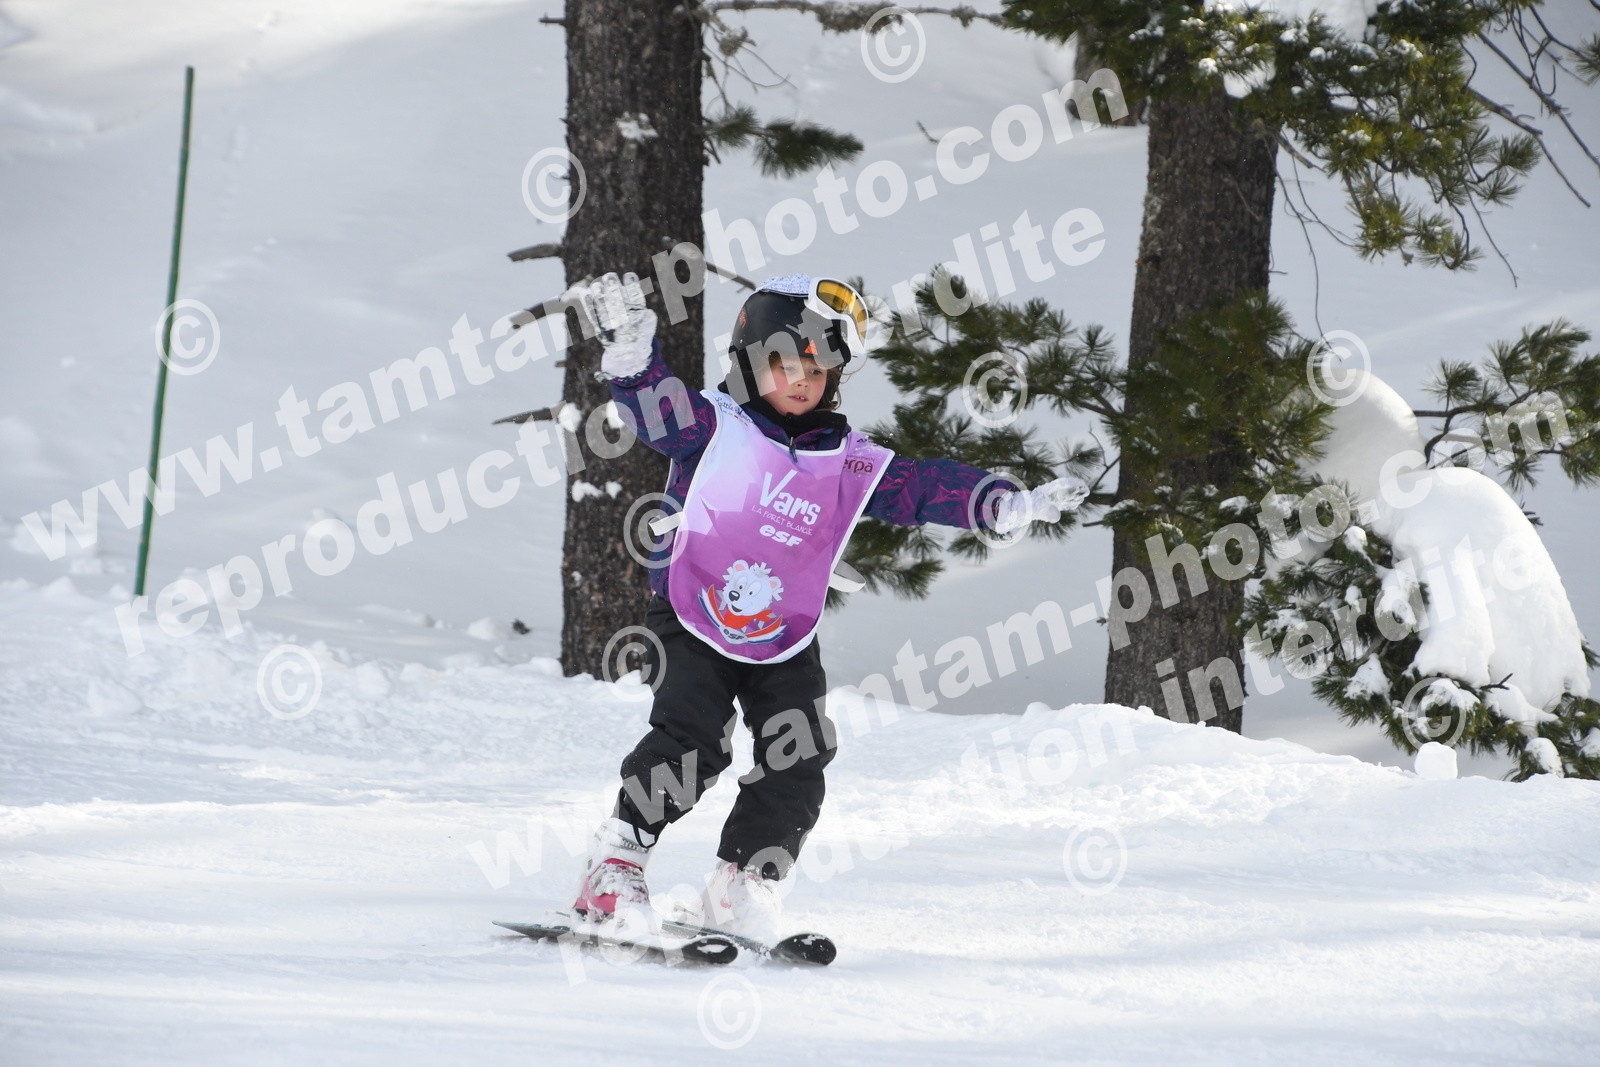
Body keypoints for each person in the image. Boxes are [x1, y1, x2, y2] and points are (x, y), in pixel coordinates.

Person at [567, 271, 1088, 940]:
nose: (801, 381)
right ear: (750, 362)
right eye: (785, 364)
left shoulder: (846, 460)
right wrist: (635, 359)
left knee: (800, 749)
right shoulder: (714, 424)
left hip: (783, 633)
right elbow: (658, 413)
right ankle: (617, 861)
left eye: (817, 370)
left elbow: (920, 486)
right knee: (691, 740)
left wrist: (1002, 502)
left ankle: (742, 882)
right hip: (694, 611)